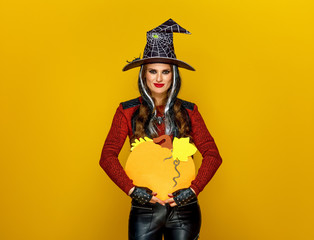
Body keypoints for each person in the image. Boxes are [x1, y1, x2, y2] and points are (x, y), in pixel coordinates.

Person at [99, 18, 223, 240]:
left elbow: (213, 155)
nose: (158, 78)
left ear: (173, 75)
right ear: (144, 74)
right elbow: (107, 156)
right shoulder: (126, 111)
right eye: (152, 71)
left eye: (165, 72)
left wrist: (193, 190)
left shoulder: (190, 111)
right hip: (144, 209)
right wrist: (132, 190)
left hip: (184, 210)